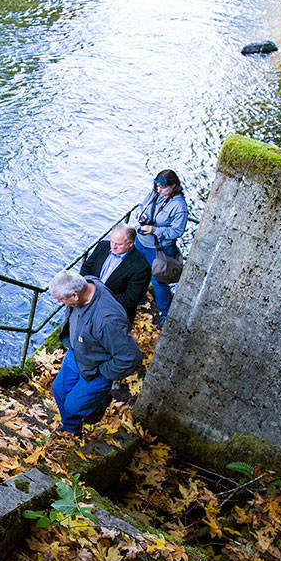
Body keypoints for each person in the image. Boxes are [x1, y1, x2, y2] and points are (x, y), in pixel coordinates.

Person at [48, 269, 142, 436]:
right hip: (78, 353)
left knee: (73, 405)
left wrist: (103, 372)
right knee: (58, 390)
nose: (60, 302)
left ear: (75, 296)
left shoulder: (108, 320)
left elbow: (130, 357)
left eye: (62, 299)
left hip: (96, 366)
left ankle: (98, 402)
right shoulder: (88, 282)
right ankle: (71, 429)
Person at [133, 168, 188, 325]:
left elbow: (176, 231)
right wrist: (140, 214)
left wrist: (155, 230)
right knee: (138, 271)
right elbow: (142, 204)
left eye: (163, 187)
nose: (159, 190)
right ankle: (140, 297)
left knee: (158, 280)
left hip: (160, 249)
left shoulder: (179, 207)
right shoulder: (155, 193)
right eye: (157, 186)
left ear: (173, 186)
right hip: (142, 241)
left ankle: (165, 310)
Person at [80, 224, 150, 323]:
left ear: (130, 244)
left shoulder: (141, 267)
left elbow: (130, 299)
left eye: (119, 244)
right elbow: (86, 268)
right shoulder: (102, 246)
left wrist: (98, 299)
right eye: (112, 241)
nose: (113, 246)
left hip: (113, 314)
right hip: (88, 302)